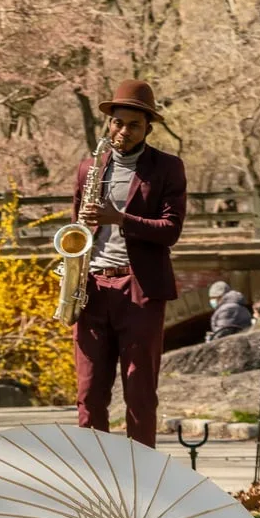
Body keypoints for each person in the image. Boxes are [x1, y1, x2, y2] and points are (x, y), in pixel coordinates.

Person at [71, 79, 187, 447]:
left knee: (139, 394)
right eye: (117, 123)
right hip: (90, 288)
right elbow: (77, 228)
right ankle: (94, 480)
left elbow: (170, 230)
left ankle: (141, 481)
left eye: (134, 125)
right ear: (109, 123)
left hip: (139, 289)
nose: (123, 131)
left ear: (148, 127)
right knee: (89, 395)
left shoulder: (168, 168)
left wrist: (119, 218)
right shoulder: (88, 168)